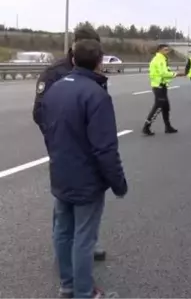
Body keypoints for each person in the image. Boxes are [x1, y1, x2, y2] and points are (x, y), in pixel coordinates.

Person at [41, 39, 128, 299]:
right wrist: (118, 183)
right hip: (86, 179)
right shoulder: (96, 95)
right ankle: (84, 292)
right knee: (84, 238)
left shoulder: (54, 90)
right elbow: (105, 148)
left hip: (60, 171)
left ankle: (67, 286)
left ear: (74, 60)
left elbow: (48, 130)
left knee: (63, 230)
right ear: (100, 62)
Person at [32, 26, 108, 262]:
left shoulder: (94, 69)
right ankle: (63, 251)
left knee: (89, 199)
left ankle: (86, 244)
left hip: (89, 149)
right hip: (64, 150)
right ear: (75, 45)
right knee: (64, 203)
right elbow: (40, 112)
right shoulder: (55, 73)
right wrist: (60, 140)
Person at [142, 44, 181, 136]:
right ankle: (146, 127)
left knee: (166, 107)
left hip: (162, 85)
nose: (167, 51)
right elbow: (163, 73)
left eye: (168, 50)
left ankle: (168, 127)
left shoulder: (163, 59)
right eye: (165, 50)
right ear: (159, 50)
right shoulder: (159, 59)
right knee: (158, 107)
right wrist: (176, 74)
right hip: (158, 86)